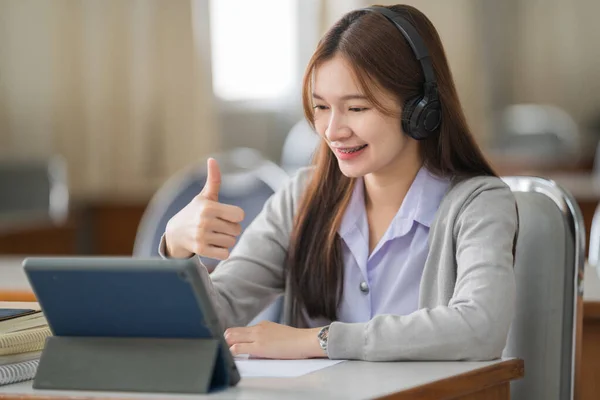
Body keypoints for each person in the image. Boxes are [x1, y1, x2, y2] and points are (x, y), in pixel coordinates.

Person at [162, 4, 518, 361]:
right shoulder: (302, 197)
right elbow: (213, 314)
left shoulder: (478, 204)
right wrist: (179, 250)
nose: (333, 131)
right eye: (321, 107)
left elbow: (480, 326)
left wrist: (318, 340)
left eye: (357, 108)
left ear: (420, 109)